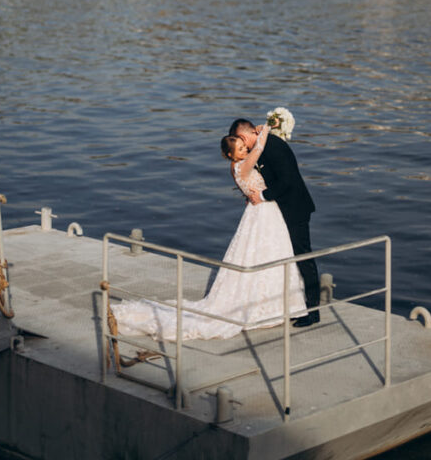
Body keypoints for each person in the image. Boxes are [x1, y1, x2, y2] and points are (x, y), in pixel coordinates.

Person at [111, 125, 307, 341]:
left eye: (244, 147)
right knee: (268, 252)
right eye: (241, 149)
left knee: (269, 253)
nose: (245, 151)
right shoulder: (241, 167)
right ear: (231, 155)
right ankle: (272, 306)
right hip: (262, 211)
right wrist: (267, 128)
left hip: (262, 212)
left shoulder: (236, 168)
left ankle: (277, 304)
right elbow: (258, 149)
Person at [229, 117, 320, 327]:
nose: (245, 149)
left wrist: (261, 196)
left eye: (243, 144)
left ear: (244, 136)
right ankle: (292, 303)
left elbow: (287, 181)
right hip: (278, 211)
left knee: (303, 256)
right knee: (287, 255)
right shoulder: (263, 145)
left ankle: (313, 310)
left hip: (294, 208)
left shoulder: (273, 146)